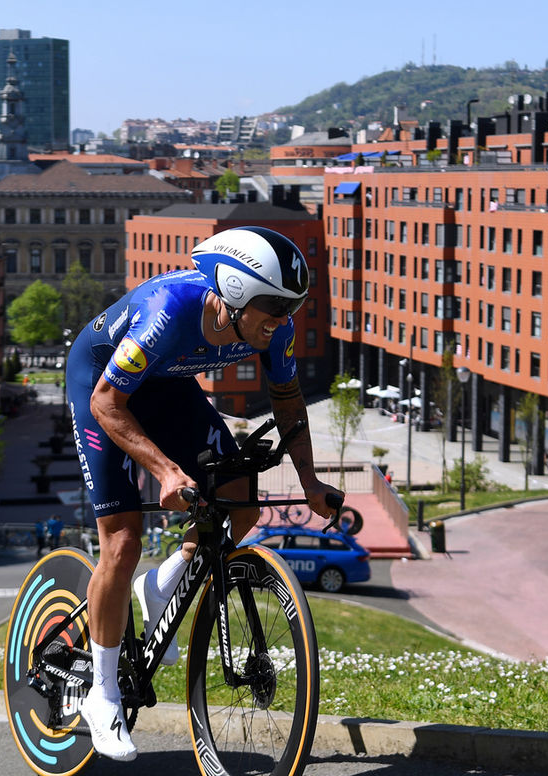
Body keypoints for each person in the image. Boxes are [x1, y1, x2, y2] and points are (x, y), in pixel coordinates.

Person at [62, 226, 341, 761]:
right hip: (100, 386)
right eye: (274, 308)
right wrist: (166, 472)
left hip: (165, 388)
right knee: (122, 542)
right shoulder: (170, 309)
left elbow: (287, 400)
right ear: (234, 292)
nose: (284, 322)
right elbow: (107, 404)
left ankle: (164, 583)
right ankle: (101, 692)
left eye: (291, 308)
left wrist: (310, 484)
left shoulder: (270, 328)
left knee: (241, 502)